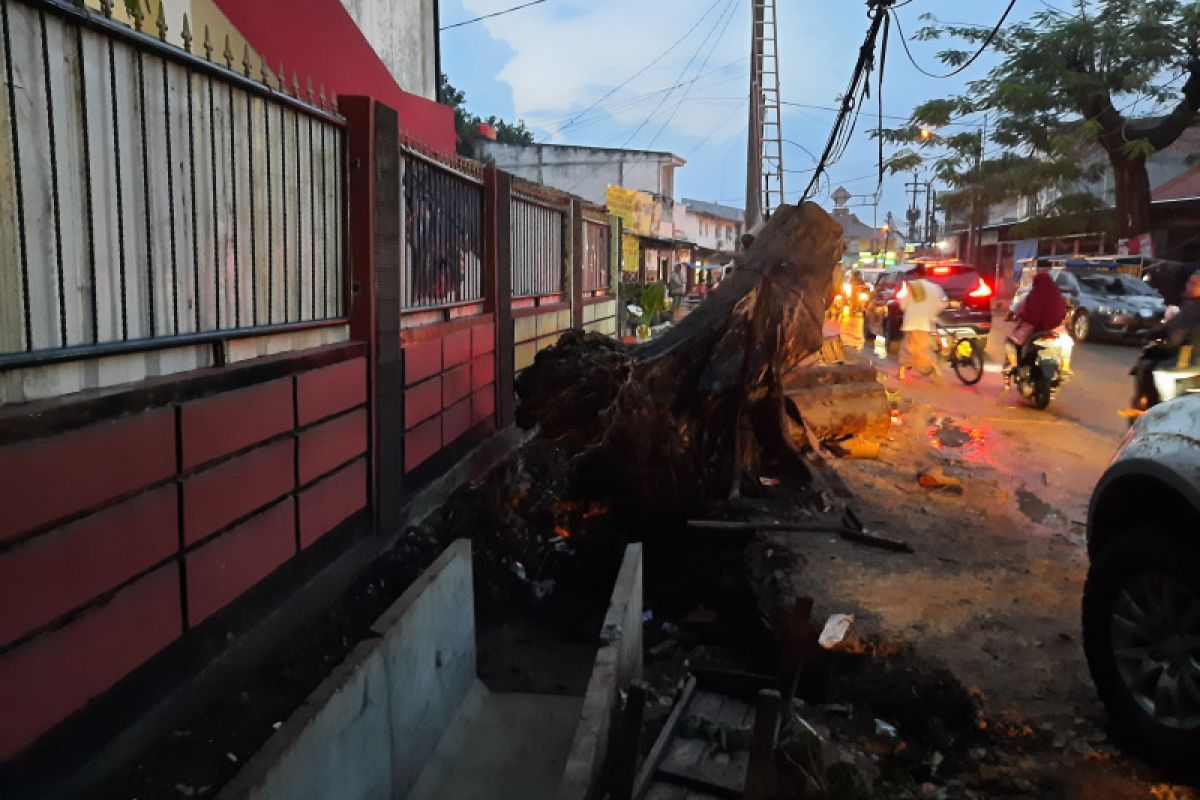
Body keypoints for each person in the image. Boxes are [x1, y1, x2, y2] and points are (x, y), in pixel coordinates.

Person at [1130, 270, 1200, 410]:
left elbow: (1175, 337)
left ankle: (1166, 410)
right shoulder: (1189, 306)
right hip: (1189, 356)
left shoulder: (1193, 309)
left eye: (1193, 284)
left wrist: (1160, 345)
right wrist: (1149, 333)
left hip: (1189, 360)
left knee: (1160, 373)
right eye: (1189, 282)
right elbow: (1170, 326)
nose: (1188, 286)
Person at [1005, 265, 1069, 381]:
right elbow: (1063, 313)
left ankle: (1013, 365)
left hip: (1032, 329)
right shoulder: (1058, 297)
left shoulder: (1030, 296)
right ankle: (1065, 368)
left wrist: (1016, 316)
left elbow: (1023, 312)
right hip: (1054, 329)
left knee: (1010, 342)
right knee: (1067, 343)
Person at [898, 264, 948, 382]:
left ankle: (935, 370)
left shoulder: (911, 287)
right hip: (925, 323)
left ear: (916, 274)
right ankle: (934, 370)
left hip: (912, 322)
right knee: (920, 348)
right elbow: (942, 304)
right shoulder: (935, 287)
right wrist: (931, 313)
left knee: (912, 349)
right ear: (926, 274)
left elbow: (903, 305)